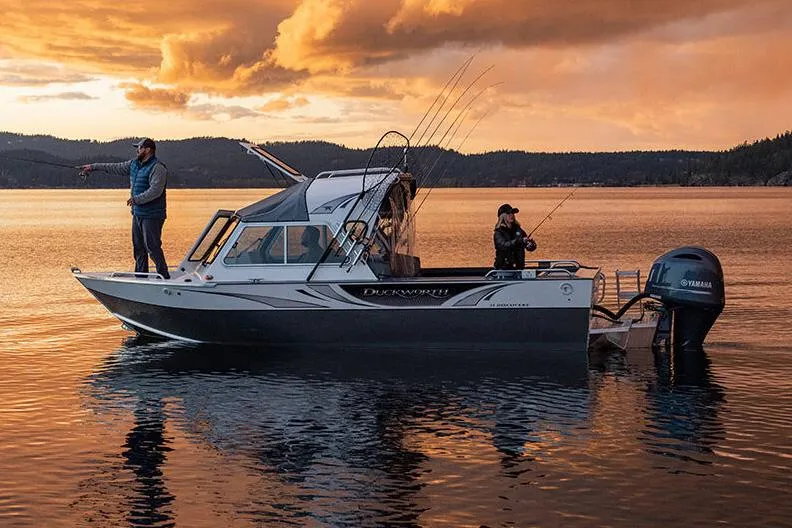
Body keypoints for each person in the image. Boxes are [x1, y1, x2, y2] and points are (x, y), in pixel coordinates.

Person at [79, 138, 170, 279]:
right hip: (138, 214)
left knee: (152, 247)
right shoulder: (133, 164)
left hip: (153, 215)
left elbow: (155, 190)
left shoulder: (158, 168)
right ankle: (141, 277)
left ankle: (164, 276)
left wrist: (136, 199)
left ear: (147, 150)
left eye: (139, 147)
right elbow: (113, 167)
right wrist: (93, 166)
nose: (137, 150)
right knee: (138, 248)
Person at [493, 203, 537, 270]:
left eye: (513, 213)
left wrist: (530, 244)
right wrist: (519, 241)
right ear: (502, 216)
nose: (512, 215)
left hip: (519, 267)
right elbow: (504, 245)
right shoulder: (498, 232)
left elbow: (528, 246)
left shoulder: (518, 229)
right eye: (508, 214)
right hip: (503, 268)